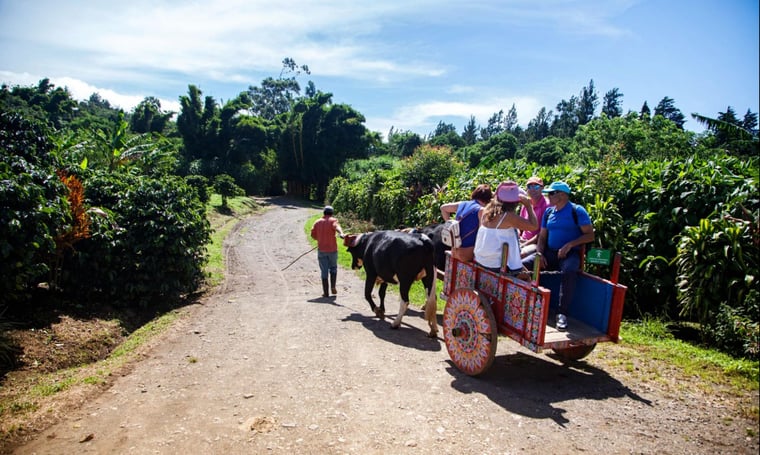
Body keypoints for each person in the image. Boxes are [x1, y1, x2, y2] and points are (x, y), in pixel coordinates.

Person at [521, 181, 594, 330]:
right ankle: (526, 306)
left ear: (562, 195)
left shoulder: (577, 211)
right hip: (550, 252)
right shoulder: (549, 212)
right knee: (523, 265)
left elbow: (590, 235)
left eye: (551, 193)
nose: (548, 196)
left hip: (570, 254)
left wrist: (569, 245)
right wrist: (540, 254)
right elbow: (542, 237)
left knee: (569, 271)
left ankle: (562, 314)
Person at [474, 181, 538, 276]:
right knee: (527, 276)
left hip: (481, 260)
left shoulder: (487, 210)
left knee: (524, 269)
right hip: (497, 266)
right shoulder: (508, 216)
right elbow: (534, 226)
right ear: (515, 202)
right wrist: (528, 206)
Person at [439, 184, 493, 262]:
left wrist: (449, 224)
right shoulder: (481, 210)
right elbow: (482, 235)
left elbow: (443, 208)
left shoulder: (463, 204)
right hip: (466, 255)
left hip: (454, 251)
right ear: (488, 199)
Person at [310, 205, 345, 298]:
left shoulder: (317, 222)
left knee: (324, 271)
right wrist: (341, 233)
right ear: (332, 213)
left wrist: (319, 239)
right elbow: (337, 227)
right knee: (333, 268)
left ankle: (326, 293)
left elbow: (312, 234)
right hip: (332, 250)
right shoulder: (333, 220)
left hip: (322, 250)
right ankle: (333, 286)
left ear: (324, 213)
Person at [519, 176, 550, 258]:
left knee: (520, 254)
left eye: (536, 186)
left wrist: (524, 244)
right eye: (530, 186)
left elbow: (542, 234)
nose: (533, 189)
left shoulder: (547, 206)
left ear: (542, 188)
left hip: (536, 243)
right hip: (523, 240)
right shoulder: (526, 204)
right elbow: (519, 227)